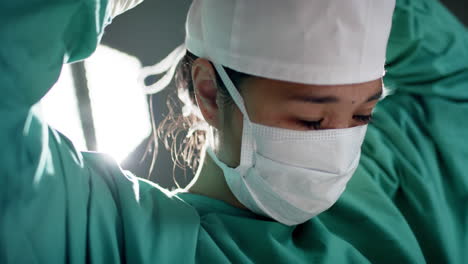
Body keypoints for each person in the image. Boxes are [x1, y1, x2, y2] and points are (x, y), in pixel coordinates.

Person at [1, 0, 467, 263]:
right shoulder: (128, 241)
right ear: (208, 92)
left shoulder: (389, 180)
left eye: (364, 114)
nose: (340, 146)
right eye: (309, 120)